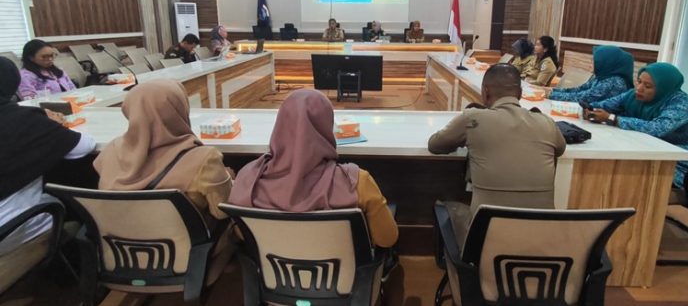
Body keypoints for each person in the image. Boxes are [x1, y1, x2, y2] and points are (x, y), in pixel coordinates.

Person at [229, 89, 398, 249]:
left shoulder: (248, 180)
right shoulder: (357, 183)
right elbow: (387, 240)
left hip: (273, 269)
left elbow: (242, 234)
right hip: (341, 269)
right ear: (326, 127)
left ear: (280, 124)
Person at [428, 64, 566, 245]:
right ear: (520, 93)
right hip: (543, 244)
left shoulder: (473, 118)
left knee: (445, 207)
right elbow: (560, 149)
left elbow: (435, 144)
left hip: (485, 243)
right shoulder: (546, 123)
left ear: (485, 92)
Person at [94, 80, 233, 223]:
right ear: (179, 108)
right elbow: (221, 212)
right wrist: (226, 177)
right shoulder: (205, 159)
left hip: (116, 236)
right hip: (183, 237)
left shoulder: (110, 151)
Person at [0, 57, 96, 256]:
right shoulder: (23, 119)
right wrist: (52, 125)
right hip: (9, 231)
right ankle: (82, 261)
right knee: (74, 193)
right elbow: (84, 146)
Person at [585, 63, 688, 189]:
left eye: (647, 86)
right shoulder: (633, 95)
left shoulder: (681, 103)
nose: (639, 88)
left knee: (623, 171)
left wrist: (613, 118)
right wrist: (589, 109)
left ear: (663, 87)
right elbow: (602, 105)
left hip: (682, 164)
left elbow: (657, 128)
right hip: (651, 150)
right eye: (639, 82)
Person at [549, 45, 633, 103]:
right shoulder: (600, 78)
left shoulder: (614, 82)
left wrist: (550, 95)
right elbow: (580, 89)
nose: (591, 64)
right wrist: (553, 90)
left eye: (595, 61)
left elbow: (583, 98)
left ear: (606, 62)